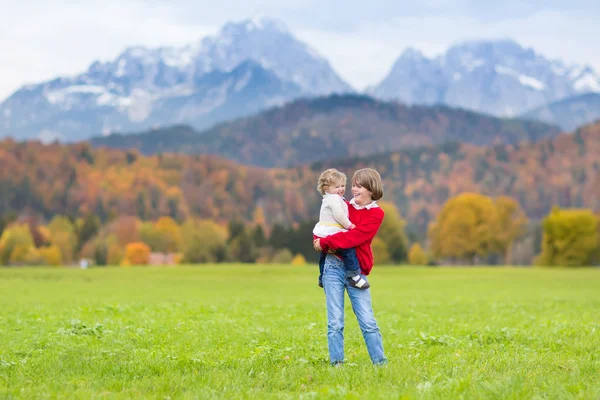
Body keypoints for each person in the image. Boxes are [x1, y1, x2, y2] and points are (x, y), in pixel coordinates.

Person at [313, 168, 387, 366]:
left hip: (356, 271)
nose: (353, 189)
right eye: (353, 185)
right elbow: (325, 223)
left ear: (372, 189)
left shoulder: (376, 214)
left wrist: (326, 243)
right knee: (335, 322)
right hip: (333, 267)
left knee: (367, 321)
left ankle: (380, 364)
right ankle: (337, 365)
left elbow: (353, 238)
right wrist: (319, 238)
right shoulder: (342, 204)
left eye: (359, 186)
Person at [313, 168, 370, 289]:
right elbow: (339, 215)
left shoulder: (328, 199)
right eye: (337, 187)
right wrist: (350, 225)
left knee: (324, 254)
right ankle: (355, 276)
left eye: (343, 186)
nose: (341, 189)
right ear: (326, 188)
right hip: (332, 230)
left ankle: (322, 276)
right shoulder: (334, 199)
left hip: (323, 231)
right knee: (348, 249)